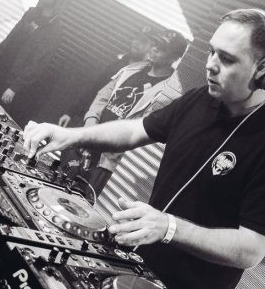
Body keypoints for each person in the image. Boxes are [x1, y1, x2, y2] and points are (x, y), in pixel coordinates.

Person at [23, 8, 265, 289]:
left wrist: (169, 228)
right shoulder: (199, 100)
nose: (211, 64)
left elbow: (251, 249)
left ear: (264, 68)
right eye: (211, 51)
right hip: (132, 274)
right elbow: (134, 130)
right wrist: (70, 135)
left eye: (227, 59)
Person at [61, 29, 187, 198]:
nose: (155, 49)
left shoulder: (166, 92)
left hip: (105, 160)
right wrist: (90, 126)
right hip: (87, 142)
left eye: (162, 48)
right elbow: (102, 96)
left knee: (82, 201)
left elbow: (139, 129)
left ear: (175, 58)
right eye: (155, 43)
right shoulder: (131, 70)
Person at [0, 0, 71, 127]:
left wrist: (15, 87)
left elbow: (39, 63)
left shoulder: (55, 31)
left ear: (60, 0)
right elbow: (10, 38)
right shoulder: (31, 13)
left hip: (12, 82)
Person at [57, 27, 153, 128]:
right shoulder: (120, 62)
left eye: (143, 41)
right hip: (89, 116)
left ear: (151, 48)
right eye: (136, 38)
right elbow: (95, 88)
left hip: (109, 125)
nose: (136, 43)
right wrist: (71, 113)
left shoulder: (146, 72)